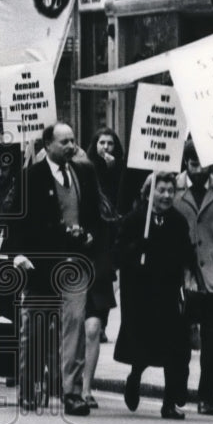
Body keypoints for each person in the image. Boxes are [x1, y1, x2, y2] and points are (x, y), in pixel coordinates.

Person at [13, 122, 103, 416]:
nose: (71, 146)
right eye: (64, 141)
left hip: (75, 264)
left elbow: (95, 214)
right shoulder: (31, 177)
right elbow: (15, 219)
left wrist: (90, 235)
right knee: (37, 327)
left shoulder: (84, 173)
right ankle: (29, 388)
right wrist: (19, 255)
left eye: (73, 140)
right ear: (47, 144)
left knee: (75, 325)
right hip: (41, 265)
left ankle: (72, 392)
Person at [115, 172, 193, 420]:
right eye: (162, 190)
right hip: (141, 294)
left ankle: (169, 403)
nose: (167, 196)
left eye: (171, 191)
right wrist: (137, 247)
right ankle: (135, 376)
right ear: (149, 193)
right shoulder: (135, 220)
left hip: (168, 292)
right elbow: (118, 254)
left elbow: (185, 253)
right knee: (144, 347)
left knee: (174, 349)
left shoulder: (178, 222)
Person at [174, 140, 213, 416]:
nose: (199, 169)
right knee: (181, 339)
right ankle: (180, 389)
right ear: (185, 162)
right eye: (194, 163)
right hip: (181, 277)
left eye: (204, 164)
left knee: (211, 344)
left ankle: (208, 397)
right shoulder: (170, 187)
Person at [81, 127, 123, 407]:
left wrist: (114, 172)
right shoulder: (81, 175)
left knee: (94, 328)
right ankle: (68, 380)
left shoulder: (119, 176)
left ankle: (85, 388)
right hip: (75, 263)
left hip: (100, 263)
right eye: (101, 142)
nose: (105, 147)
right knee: (72, 330)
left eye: (110, 143)